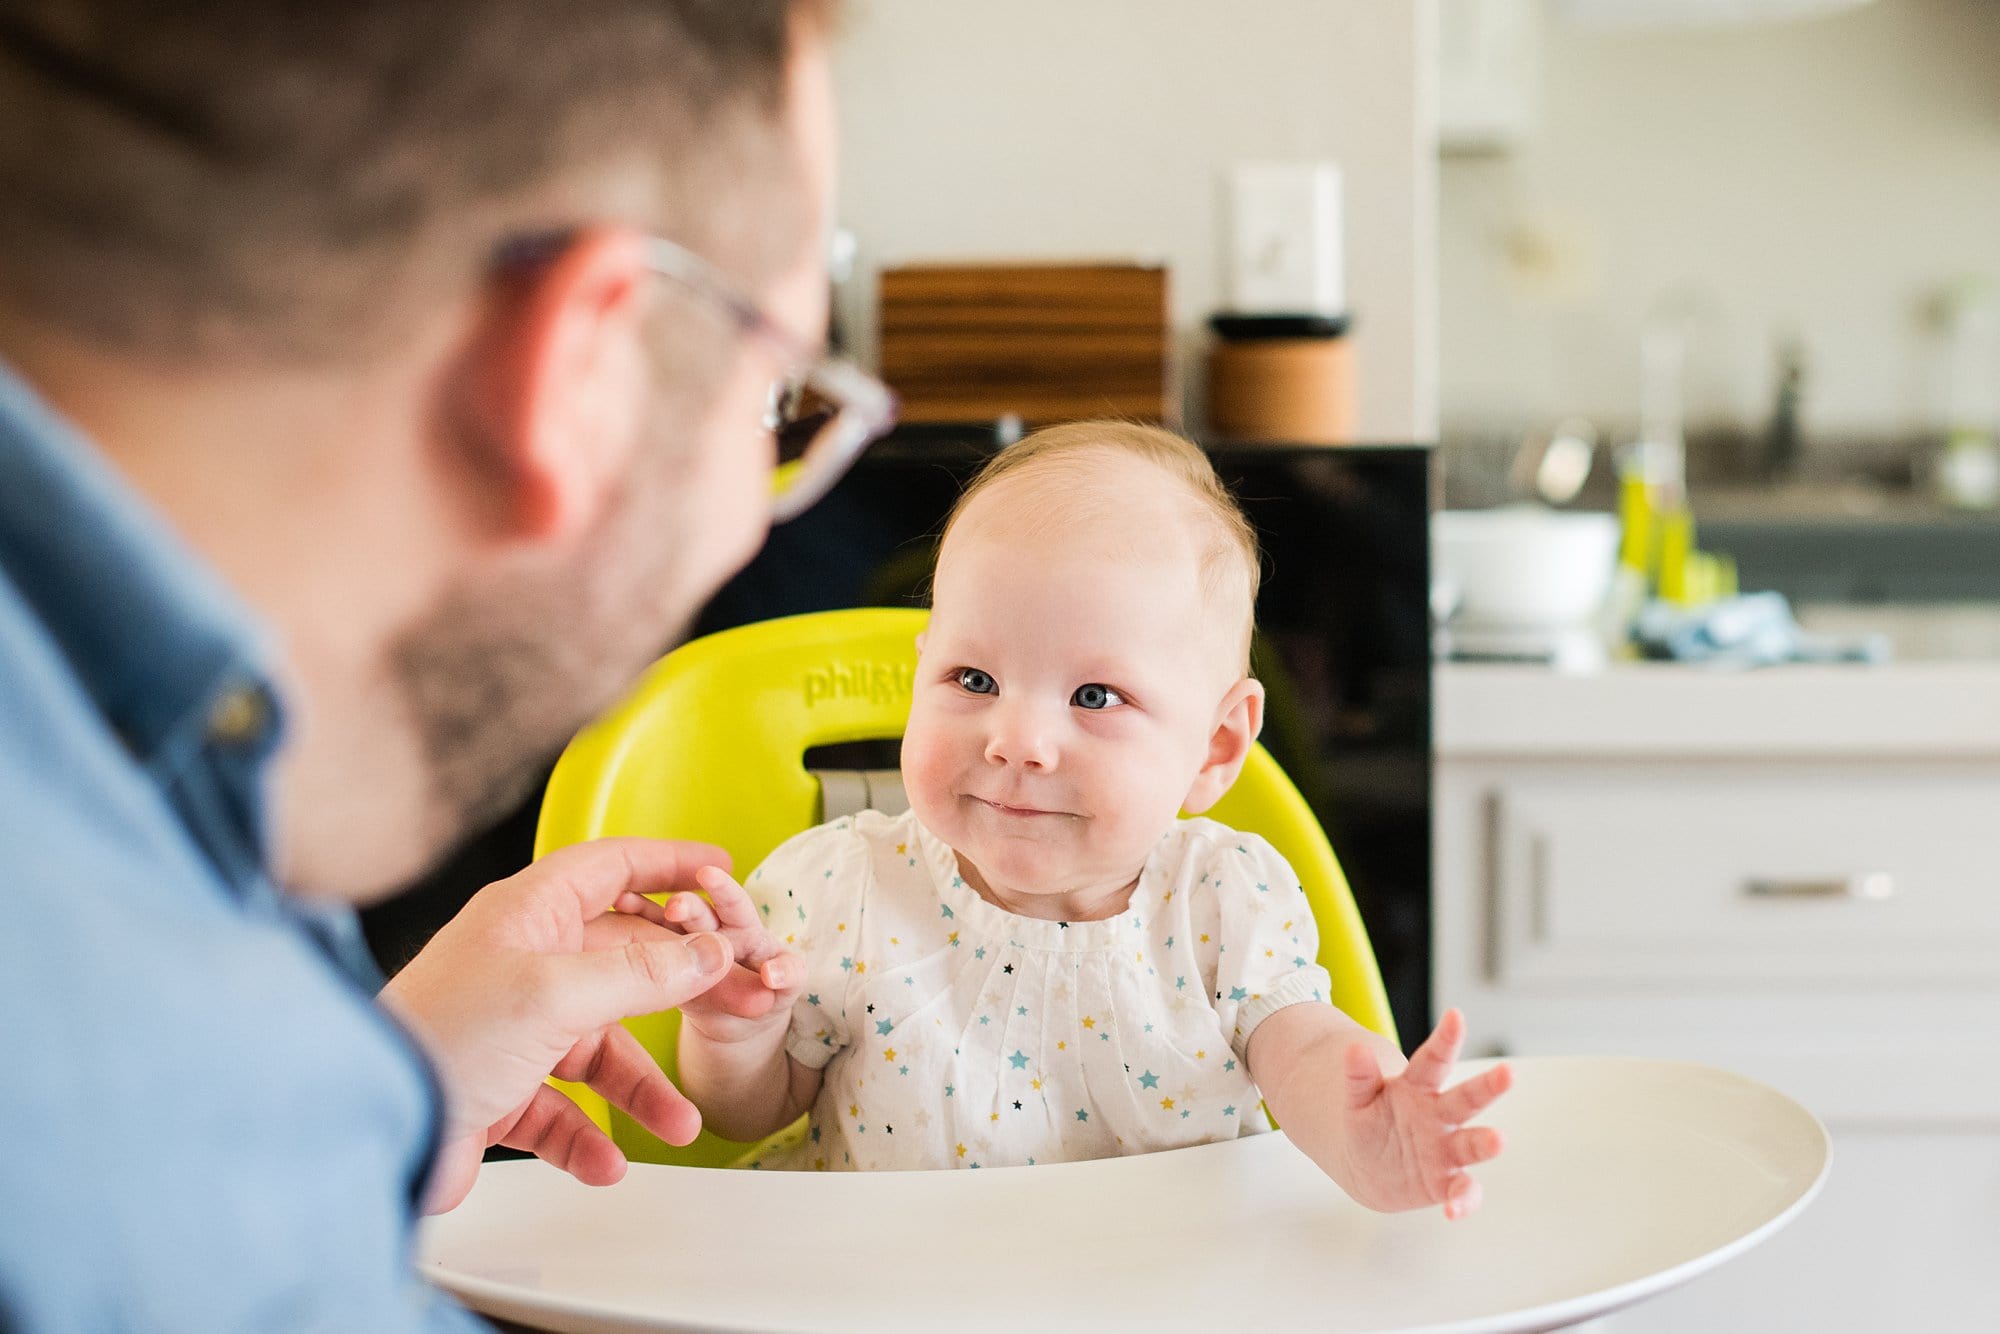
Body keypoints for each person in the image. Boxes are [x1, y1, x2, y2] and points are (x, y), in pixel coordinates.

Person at [0, 1, 877, 1327]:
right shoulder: (126, 1139)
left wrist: (373, 1086)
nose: (762, 496)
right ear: (585, 367)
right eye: (772, 400)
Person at [647, 421, 1513, 1215]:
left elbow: (1304, 1053)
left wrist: (1364, 1129)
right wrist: (736, 1034)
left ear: (1213, 748)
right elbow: (743, 1115)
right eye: (973, 681)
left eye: (1094, 696)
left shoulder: (1219, 901)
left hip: (1156, 1298)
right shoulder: (843, 885)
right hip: (891, 1298)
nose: (1018, 741)